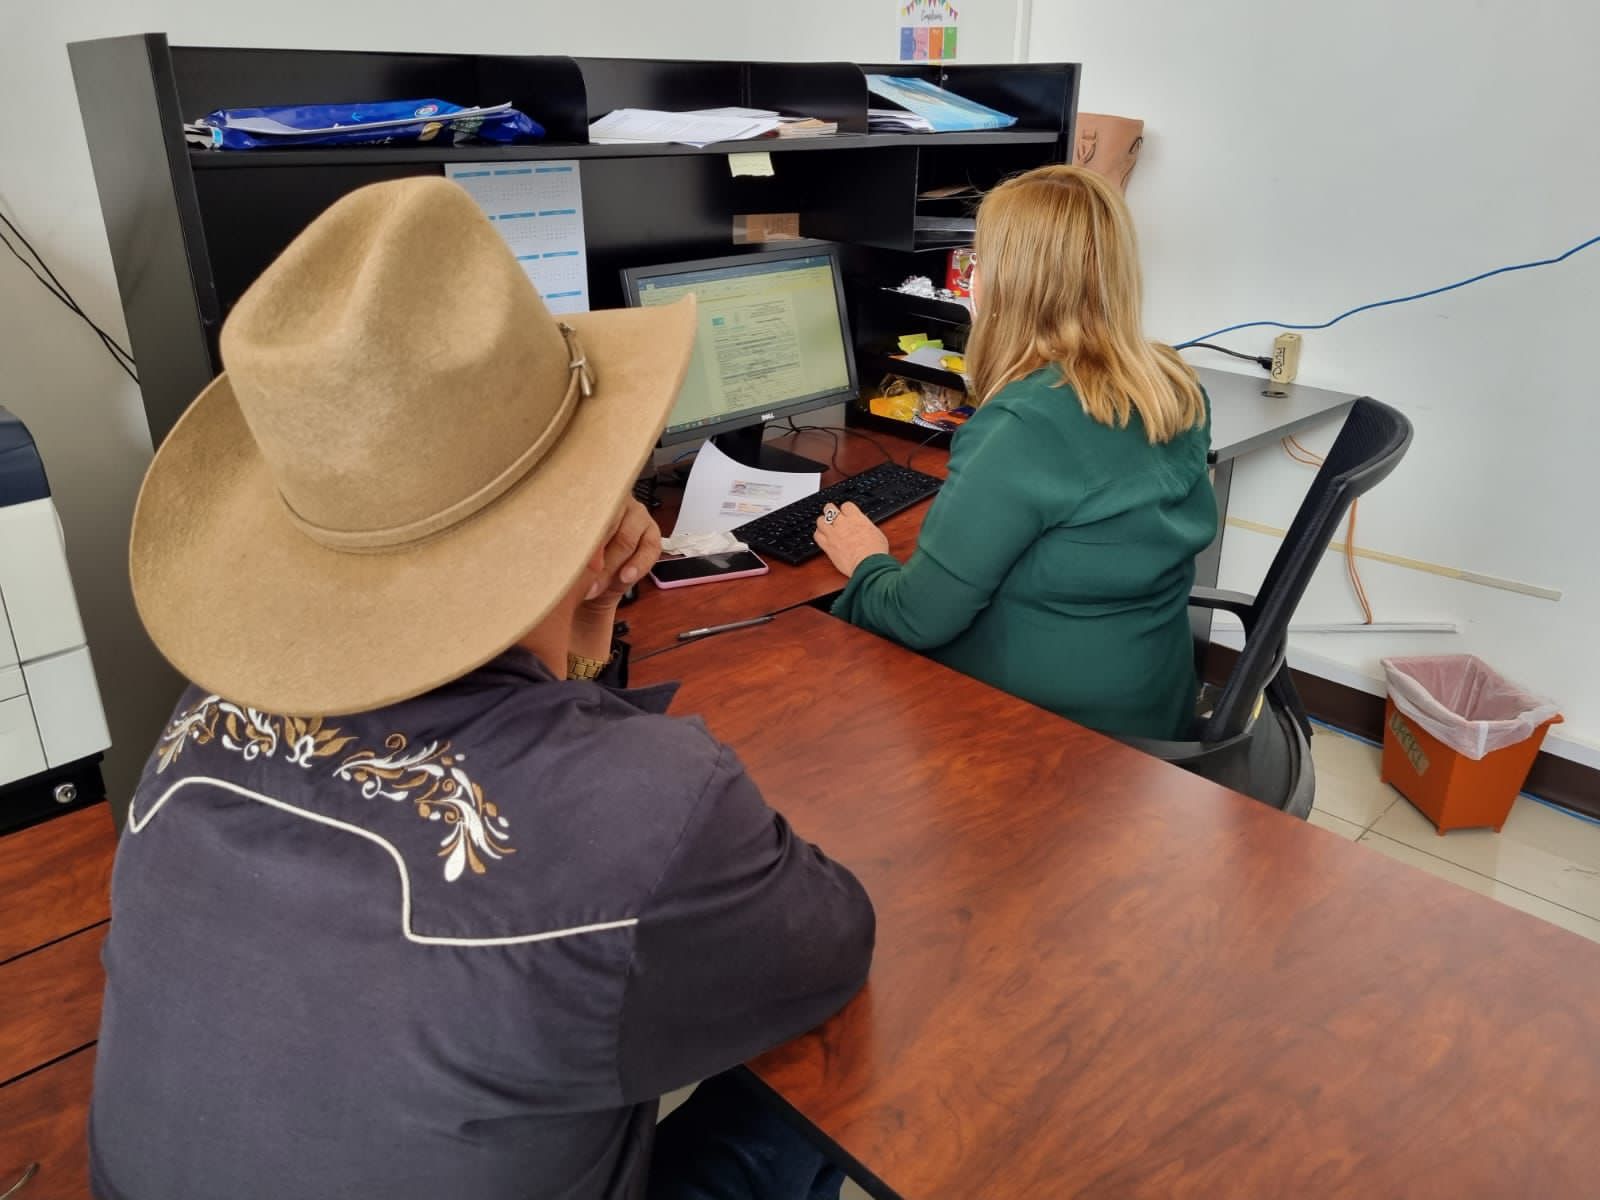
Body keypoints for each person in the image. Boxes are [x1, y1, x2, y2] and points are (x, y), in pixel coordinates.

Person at [91, 177, 874, 1200]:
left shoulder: (198, 717)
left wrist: (576, 626)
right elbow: (828, 944)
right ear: (585, 507)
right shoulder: (652, 805)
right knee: (812, 1098)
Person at [814, 165, 1217, 741]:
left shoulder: (1027, 424)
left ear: (1006, 285)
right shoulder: (1171, 383)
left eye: (979, 263)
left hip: (1055, 736)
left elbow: (916, 618)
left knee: (814, 686)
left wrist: (866, 559)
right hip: (1153, 701)